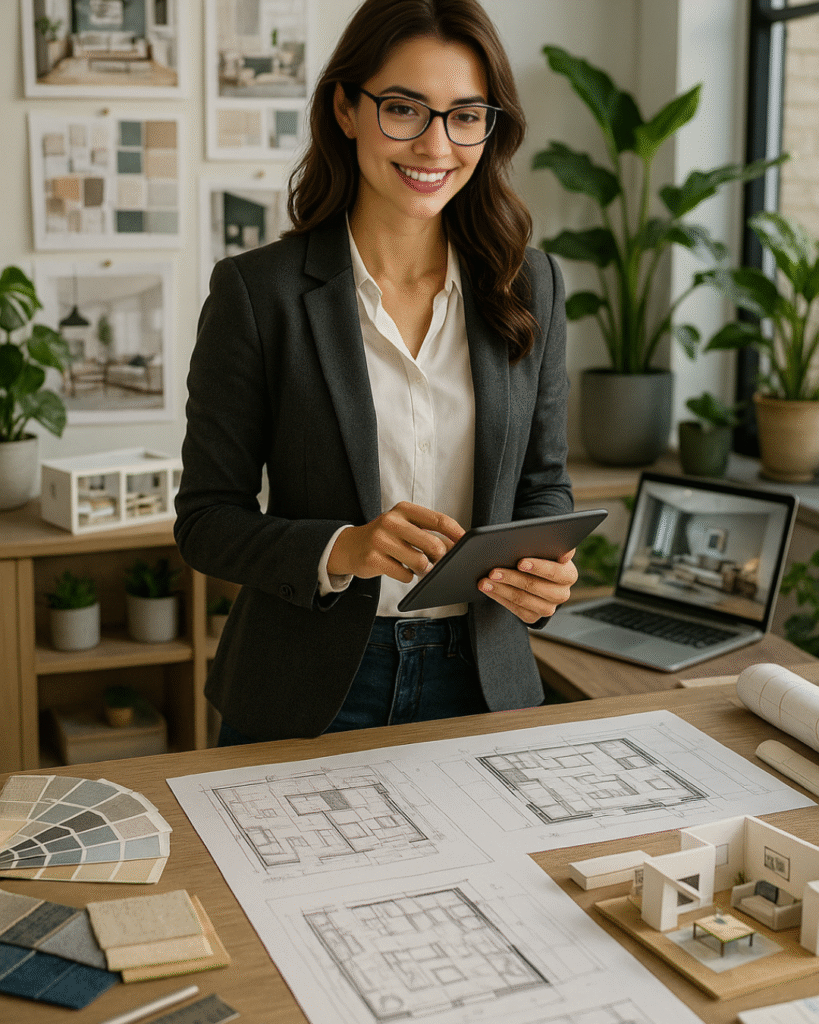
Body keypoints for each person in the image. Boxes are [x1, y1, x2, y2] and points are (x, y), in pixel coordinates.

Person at [174, 0, 577, 745]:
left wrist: (543, 573)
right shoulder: (256, 294)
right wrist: (343, 549)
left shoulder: (532, 287)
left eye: (465, 115)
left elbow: (543, 484)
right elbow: (205, 521)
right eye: (403, 108)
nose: (435, 144)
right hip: (308, 688)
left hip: (483, 682)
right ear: (345, 109)